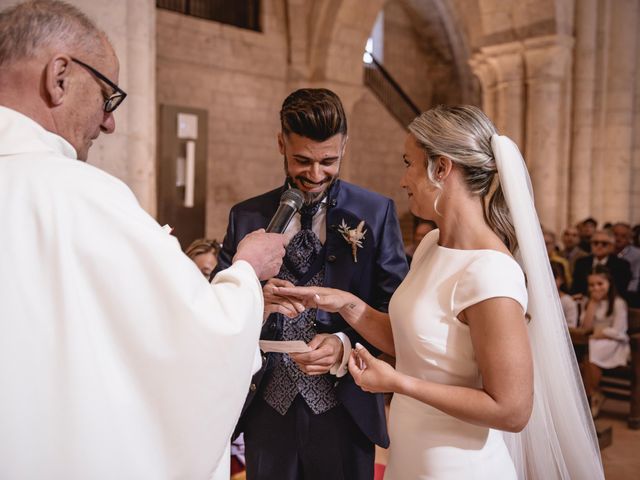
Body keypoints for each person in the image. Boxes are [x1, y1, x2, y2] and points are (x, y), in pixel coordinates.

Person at [0, 2, 287, 479]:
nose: (109, 122)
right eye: (107, 96)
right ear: (60, 77)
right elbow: (198, 338)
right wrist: (245, 273)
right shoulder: (81, 195)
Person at [276, 105, 603, 479]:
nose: (403, 180)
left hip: (458, 467)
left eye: (408, 163)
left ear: (441, 168)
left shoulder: (490, 272)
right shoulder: (432, 245)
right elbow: (413, 343)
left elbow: (512, 410)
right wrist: (347, 304)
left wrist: (398, 383)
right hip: (411, 459)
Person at [214, 88, 408, 480]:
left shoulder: (376, 213)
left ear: (344, 147)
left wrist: (344, 344)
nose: (315, 175)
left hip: (344, 408)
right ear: (280, 142)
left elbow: (396, 315)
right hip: (267, 410)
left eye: (328, 161)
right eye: (302, 160)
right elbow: (216, 306)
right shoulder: (246, 216)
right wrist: (252, 298)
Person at [579, 266, 630, 417]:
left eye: (600, 284)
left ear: (609, 284)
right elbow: (585, 327)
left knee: (591, 348)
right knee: (587, 355)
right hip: (594, 342)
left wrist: (598, 334)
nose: (596, 288)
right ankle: (595, 394)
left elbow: (619, 331)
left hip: (615, 343)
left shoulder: (618, 303)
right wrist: (592, 305)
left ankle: (593, 395)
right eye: (592, 285)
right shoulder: (590, 302)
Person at [572, 229, 632, 300]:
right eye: (595, 243)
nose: (599, 246)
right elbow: (575, 288)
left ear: (612, 246)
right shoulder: (581, 263)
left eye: (604, 243)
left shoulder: (622, 265)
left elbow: (621, 290)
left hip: (611, 303)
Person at [612, 222, 640, 306]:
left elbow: (635, 278)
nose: (618, 238)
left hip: (627, 294)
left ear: (629, 238)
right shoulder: (607, 250)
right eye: (615, 235)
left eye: (623, 236)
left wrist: (625, 296)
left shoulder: (637, 254)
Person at [551, 261, 579, 327]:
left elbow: (572, 325)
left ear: (562, 279)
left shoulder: (567, 301)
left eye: (554, 277)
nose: (549, 281)